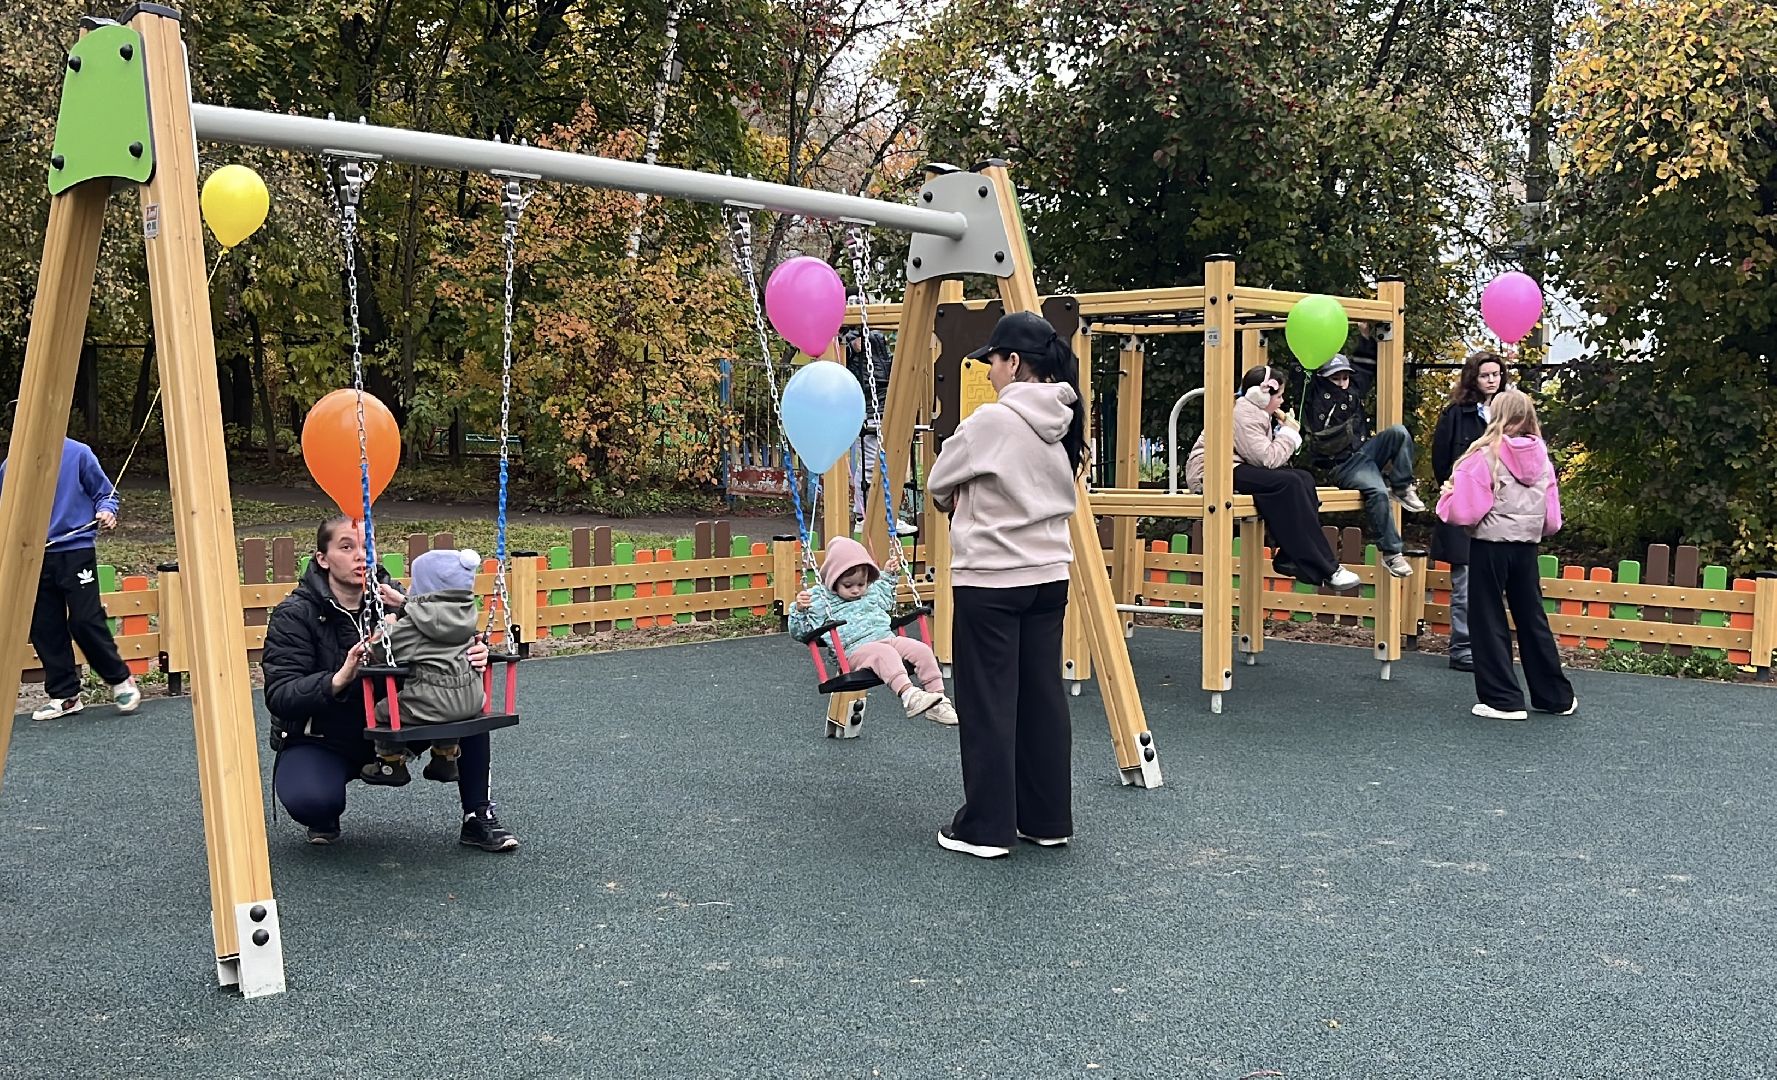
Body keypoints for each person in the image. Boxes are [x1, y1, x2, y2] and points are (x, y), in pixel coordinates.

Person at [261, 516, 518, 851]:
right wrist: (340, 678)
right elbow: (281, 694)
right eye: (347, 546)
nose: (361, 556)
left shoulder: (397, 600)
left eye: (368, 547)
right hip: (326, 737)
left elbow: (447, 632)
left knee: (465, 702)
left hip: (397, 727)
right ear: (322, 559)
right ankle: (324, 812)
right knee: (312, 800)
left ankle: (476, 815)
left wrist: (473, 651)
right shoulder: (296, 614)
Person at [925, 311, 1082, 859]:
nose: (989, 371)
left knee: (989, 700)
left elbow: (938, 482)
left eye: (993, 360)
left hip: (992, 577)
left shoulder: (991, 422)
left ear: (1014, 362)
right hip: (1049, 574)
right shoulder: (1065, 418)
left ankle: (986, 826)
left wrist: (959, 503)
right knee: (1041, 696)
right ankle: (1046, 818)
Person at [1435, 388, 1577, 721]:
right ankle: (1555, 696)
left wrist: (1447, 498)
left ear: (1497, 415)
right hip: (1526, 547)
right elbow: (1552, 520)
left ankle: (1503, 699)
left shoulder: (1483, 455)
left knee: (1487, 619)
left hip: (1490, 545)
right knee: (1532, 618)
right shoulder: (1541, 455)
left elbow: (1465, 513)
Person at [1185, 366, 1362, 592]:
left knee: (1303, 479)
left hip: (1234, 466)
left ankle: (1289, 555)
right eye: (1278, 396)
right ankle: (1328, 567)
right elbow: (1268, 459)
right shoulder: (1243, 414)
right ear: (1260, 395)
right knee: (1289, 482)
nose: (1281, 401)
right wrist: (1288, 434)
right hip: (1211, 472)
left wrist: (1283, 433)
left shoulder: (1257, 413)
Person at [0, 437, 141, 720]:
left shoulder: (78, 453)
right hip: (32, 554)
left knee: (85, 620)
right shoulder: (11, 464)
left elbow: (106, 493)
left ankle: (119, 679)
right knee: (43, 624)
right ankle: (65, 695)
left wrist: (106, 511)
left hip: (75, 549)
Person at [788, 536, 956, 725]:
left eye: (861, 584)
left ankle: (938, 700)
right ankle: (910, 695)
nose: (856, 590)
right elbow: (800, 633)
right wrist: (799, 610)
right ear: (833, 580)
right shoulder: (819, 599)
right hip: (854, 652)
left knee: (921, 650)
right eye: (848, 585)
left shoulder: (871, 591)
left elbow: (886, 597)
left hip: (885, 638)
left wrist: (889, 574)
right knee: (884, 653)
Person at [360, 548, 484, 786]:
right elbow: (432, 613)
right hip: (472, 699)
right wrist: (405, 603)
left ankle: (390, 764)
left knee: (383, 712)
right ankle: (446, 758)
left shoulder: (413, 628)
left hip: (432, 700)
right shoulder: (467, 616)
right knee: (451, 716)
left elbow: (381, 650)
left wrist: (386, 625)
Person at [1303, 353, 1425, 578]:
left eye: (1344, 378)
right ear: (1322, 378)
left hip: (1364, 453)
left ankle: (1402, 486)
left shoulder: (1353, 390)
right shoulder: (1316, 395)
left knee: (1398, 432)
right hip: (1342, 464)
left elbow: (1365, 368)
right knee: (1377, 492)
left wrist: (1368, 339)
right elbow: (1304, 375)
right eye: (1335, 378)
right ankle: (1391, 553)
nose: (1341, 383)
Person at [1430, 350, 1509, 672]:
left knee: (1493, 580)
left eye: (1496, 374)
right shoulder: (1456, 413)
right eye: (1485, 375)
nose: (1492, 380)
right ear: (1473, 378)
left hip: (1501, 506)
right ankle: (1462, 648)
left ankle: (1487, 646)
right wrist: (1458, 490)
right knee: (1463, 579)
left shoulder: (1509, 413)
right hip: (1465, 502)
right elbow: (1440, 459)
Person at [843, 328, 916, 536]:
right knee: (869, 464)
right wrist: (853, 343)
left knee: (881, 463)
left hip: (881, 409)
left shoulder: (874, 343)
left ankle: (876, 515)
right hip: (871, 410)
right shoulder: (852, 343)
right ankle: (864, 515)